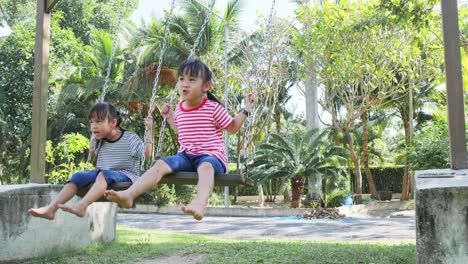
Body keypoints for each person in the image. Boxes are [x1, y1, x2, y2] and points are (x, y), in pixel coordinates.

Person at [104, 59, 257, 220]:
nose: (185, 84)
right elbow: (184, 134)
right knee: (160, 164)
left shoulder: (213, 108)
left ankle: (199, 203)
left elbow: (232, 127)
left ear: (206, 86)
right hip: (185, 156)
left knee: (205, 166)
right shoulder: (180, 108)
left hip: (211, 156)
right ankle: (130, 194)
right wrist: (171, 118)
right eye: (181, 79)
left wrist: (246, 109)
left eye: (192, 80)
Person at [28, 102, 154, 220]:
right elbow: (94, 153)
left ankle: (82, 206)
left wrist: (149, 130)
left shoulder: (130, 138)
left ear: (113, 122)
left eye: (99, 122)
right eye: (91, 122)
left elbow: (147, 154)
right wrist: (94, 139)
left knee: (103, 174)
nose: (94, 126)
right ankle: (51, 209)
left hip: (126, 176)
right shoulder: (100, 140)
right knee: (77, 176)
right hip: (104, 174)